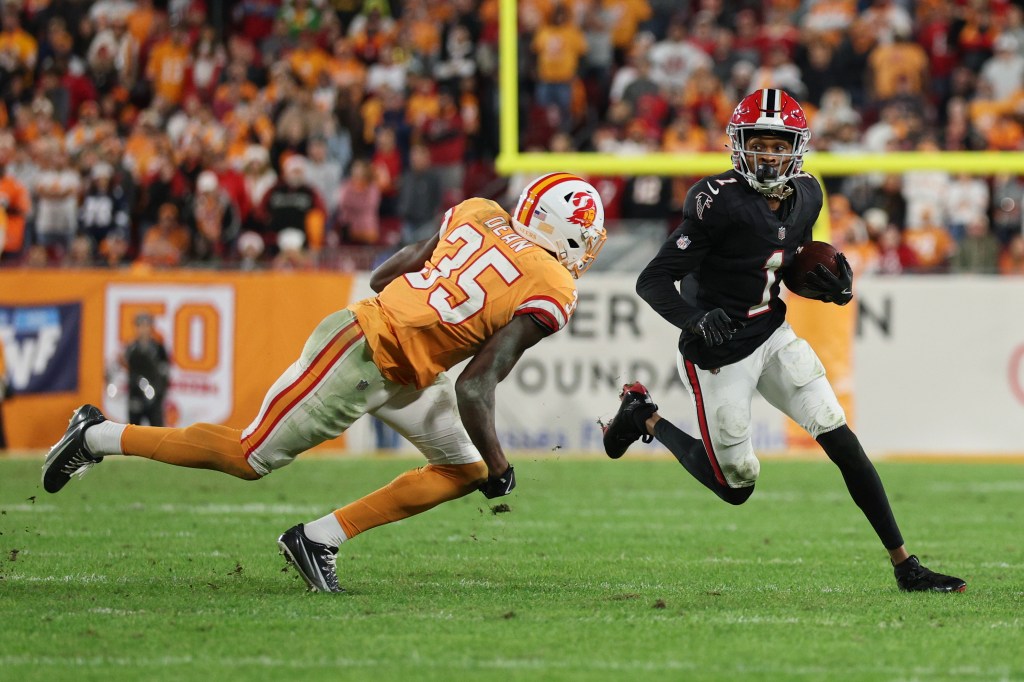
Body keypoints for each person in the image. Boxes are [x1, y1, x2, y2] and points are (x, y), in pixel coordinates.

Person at [42, 173, 607, 593]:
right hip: (363, 354)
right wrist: (504, 470)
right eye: (586, 232)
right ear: (564, 232)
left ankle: (318, 539)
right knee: (249, 455)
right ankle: (96, 434)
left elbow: (402, 263)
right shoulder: (552, 283)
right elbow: (475, 389)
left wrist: (408, 304)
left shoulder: (480, 211)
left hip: (398, 357)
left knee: (462, 469)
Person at [602, 89, 966, 594]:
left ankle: (906, 565)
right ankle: (642, 415)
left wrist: (826, 283)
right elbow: (653, 280)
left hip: (771, 332)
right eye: (759, 143)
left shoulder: (809, 194)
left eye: (779, 145)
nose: (769, 155)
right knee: (736, 485)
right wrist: (695, 319)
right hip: (720, 351)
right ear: (739, 145)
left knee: (840, 438)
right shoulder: (716, 202)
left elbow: (786, 259)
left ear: (796, 148)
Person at [121, 313, 170, 427]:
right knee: (133, 433)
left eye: (146, 325)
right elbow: (127, 370)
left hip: (154, 397)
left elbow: (165, 372)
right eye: (140, 326)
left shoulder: (158, 348)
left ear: (150, 327)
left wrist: (159, 392)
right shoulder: (131, 348)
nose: (143, 329)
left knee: (157, 432)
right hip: (136, 397)